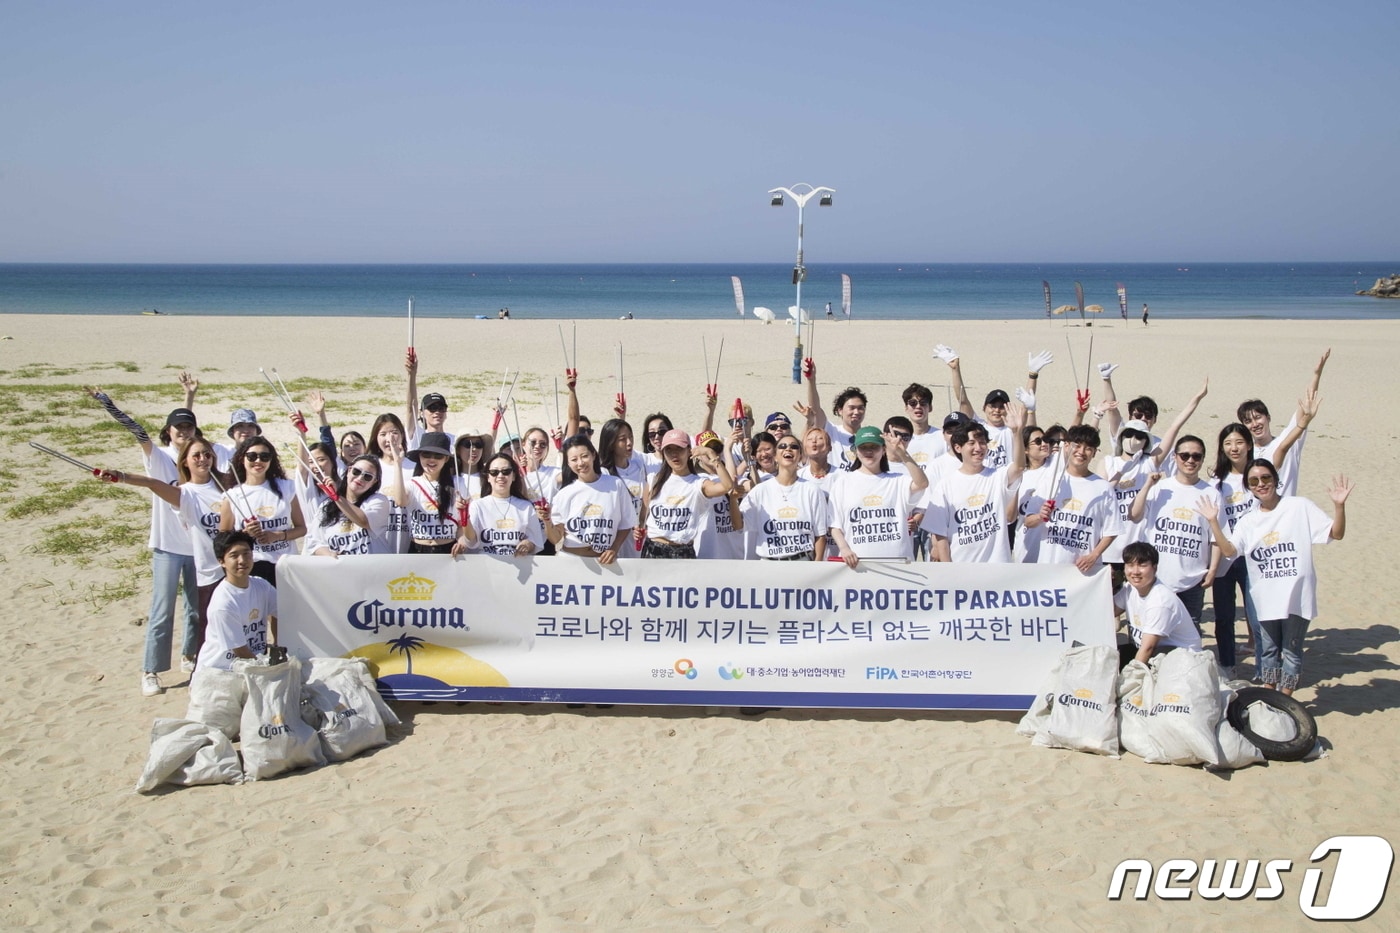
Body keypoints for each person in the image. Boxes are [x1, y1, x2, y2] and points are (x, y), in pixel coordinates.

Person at [1200, 460, 1352, 695]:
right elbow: (1230, 551)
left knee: (1291, 650)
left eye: (1266, 478)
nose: (1261, 484)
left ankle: (1285, 700)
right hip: (1266, 596)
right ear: (1249, 487)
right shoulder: (1248, 521)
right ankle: (1269, 694)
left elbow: (1336, 533)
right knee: (1268, 650)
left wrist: (1339, 506)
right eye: (1254, 481)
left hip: (1297, 594)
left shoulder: (1298, 506)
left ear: (1275, 480)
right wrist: (1213, 522)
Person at [87, 386, 202, 695]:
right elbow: (137, 430)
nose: (183, 432)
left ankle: (190, 656)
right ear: (168, 431)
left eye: (189, 427)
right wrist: (107, 403)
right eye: (178, 428)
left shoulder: (198, 461)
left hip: (197, 549)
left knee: (196, 609)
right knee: (162, 610)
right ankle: (150, 671)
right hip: (167, 547)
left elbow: (184, 425)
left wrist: (188, 400)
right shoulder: (159, 457)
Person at [99, 436, 228, 673]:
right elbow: (152, 483)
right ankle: (172, 673)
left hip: (232, 570)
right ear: (185, 462)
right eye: (196, 455)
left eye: (207, 454)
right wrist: (121, 476)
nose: (203, 459)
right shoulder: (186, 493)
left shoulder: (226, 485)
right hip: (208, 572)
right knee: (202, 626)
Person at [1127, 436, 1221, 626]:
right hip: (1156, 577)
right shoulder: (1160, 488)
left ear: (1202, 460)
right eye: (1184, 455)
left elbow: (1215, 539)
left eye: (1196, 456)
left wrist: (1212, 570)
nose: (1190, 461)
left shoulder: (1211, 493)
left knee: (1189, 634)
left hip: (1192, 580)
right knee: (1148, 629)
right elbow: (1134, 515)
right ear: (1175, 458)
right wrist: (1146, 486)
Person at [922, 403, 1027, 563]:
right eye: (971, 443)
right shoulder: (945, 486)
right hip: (962, 570)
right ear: (958, 447)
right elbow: (940, 535)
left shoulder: (997, 476)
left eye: (982, 442)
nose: (978, 448)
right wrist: (948, 570)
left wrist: (1016, 432)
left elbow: (1019, 467)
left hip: (996, 569)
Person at [1024, 424, 1122, 574]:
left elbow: (1112, 529)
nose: (1081, 452)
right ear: (1067, 446)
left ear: (1094, 453)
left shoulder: (1103, 488)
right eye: (1077, 445)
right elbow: (1028, 521)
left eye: (1088, 448)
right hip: (1049, 567)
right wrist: (1040, 516)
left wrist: (1094, 555)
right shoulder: (1051, 481)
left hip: (1082, 572)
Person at [828, 425, 929, 566]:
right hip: (858, 565)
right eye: (863, 447)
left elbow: (922, 483)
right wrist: (844, 549)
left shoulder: (898, 480)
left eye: (874, 447)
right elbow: (835, 525)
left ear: (883, 450)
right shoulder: (842, 483)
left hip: (899, 565)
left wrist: (903, 454)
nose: (869, 451)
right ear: (856, 451)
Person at [1237, 350, 1330, 497]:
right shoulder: (1244, 452)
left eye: (1258, 417)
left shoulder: (1288, 441)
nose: (1255, 424)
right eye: (1248, 421)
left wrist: (1316, 375)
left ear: (1268, 417)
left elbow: (1306, 406)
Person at [217, 436, 306, 583]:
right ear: (242, 459)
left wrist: (278, 536)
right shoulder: (232, 496)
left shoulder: (286, 487)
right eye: (252, 456)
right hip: (254, 565)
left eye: (264, 456)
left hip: (285, 563)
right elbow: (222, 538)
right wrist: (245, 534)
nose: (258, 461)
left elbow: (302, 528)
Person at [638, 429, 737, 558]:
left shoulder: (698, 483)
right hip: (654, 549)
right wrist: (638, 530)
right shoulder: (653, 480)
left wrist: (711, 453)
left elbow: (727, 485)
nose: (674, 454)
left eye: (679, 448)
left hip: (683, 550)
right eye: (669, 450)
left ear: (689, 450)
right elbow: (643, 517)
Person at [544, 435, 636, 562]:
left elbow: (626, 523)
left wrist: (614, 548)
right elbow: (556, 538)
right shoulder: (563, 494)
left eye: (584, 456)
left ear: (593, 455)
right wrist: (547, 520)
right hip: (571, 560)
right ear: (568, 463)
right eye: (574, 459)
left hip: (605, 561)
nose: (580, 463)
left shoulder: (615, 485)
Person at [740, 430, 829, 560]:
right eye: (782, 446)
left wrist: (817, 566)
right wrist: (732, 498)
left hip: (802, 564)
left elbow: (820, 535)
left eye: (794, 446)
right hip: (769, 566)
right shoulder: (760, 490)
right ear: (775, 456)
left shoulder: (812, 490)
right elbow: (739, 524)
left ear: (800, 455)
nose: (788, 449)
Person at [197, 531, 276, 672]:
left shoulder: (262, 586)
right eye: (234, 556)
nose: (242, 560)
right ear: (221, 561)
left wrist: (277, 645)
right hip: (219, 671)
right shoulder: (224, 602)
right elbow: (241, 651)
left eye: (247, 553)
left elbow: (280, 612)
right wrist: (266, 670)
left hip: (250, 664)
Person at [1115, 542, 1202, 664]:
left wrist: (1131, 676)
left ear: (1155, 567)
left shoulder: (1160, 601)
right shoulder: (1130, 588)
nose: (1135, 571)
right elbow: (1109, 611)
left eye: (1142, 565)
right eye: (1130, 565)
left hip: (1183, 660)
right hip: (1153, 650)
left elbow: (1148, 648)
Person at [303, 454, 399, 557]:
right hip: (341, 568)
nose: (360, 478)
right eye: (356, 472)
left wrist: (337, 497)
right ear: (349, 471)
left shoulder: (379, 501)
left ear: (374, 482)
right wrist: (329, 554)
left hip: (373, 568)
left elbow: (363, 521)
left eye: (367, 476)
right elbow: (314, 542)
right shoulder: (326, 506)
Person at [459, 454, 546, 557]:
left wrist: (528, 544)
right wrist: (465, 518)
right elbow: (471, 540)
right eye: (494, 472)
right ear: (488, 477)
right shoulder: (477, 506)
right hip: (486, 567)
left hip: (519, 565)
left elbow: (535, 540)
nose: (500, 476)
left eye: (506, 471)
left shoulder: (526, 507)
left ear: (513, 476)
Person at [598, 418, 652, 558]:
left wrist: (641, 524)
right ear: (611, 443)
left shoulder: (638, 466)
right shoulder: (604, 473)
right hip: (616, 541)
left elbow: (644, 502)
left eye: (631, 437)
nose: (629, 443)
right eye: (622, 439)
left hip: (638, 538)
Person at [403, 431, 462, 554]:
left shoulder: (457, 484)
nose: (432, 459)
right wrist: (398, 465)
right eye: (426, 454)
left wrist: (462, 540)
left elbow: (461, 521)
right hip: (418, 548)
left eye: (438, 456)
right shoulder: (412, 484)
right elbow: (400, 501)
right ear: (419, 456)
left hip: (448, 549)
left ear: (446, 459)